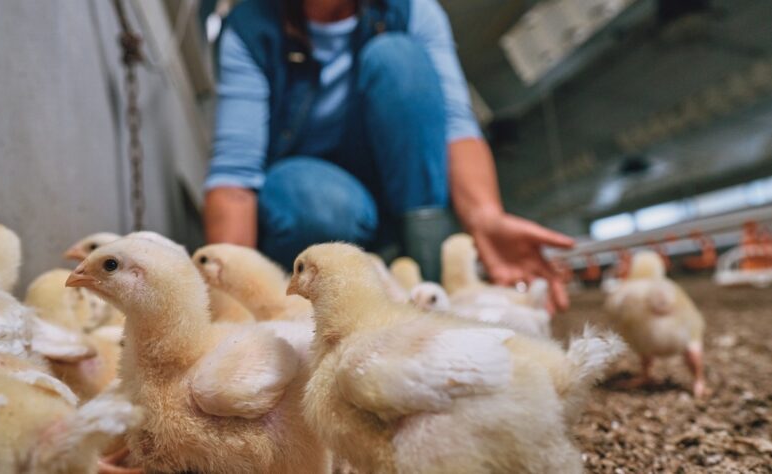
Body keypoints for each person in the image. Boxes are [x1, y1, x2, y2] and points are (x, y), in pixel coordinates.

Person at [202, 0, 575, 311]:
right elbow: (235, 175)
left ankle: (426, 286)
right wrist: (232, 303)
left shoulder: (413, 10)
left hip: (399, 197)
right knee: (315, 201)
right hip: (317, 203)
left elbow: (455, 124)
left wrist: (485, 217)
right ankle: (328, 290)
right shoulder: (250, 27)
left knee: (399, 58)